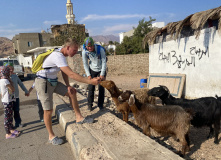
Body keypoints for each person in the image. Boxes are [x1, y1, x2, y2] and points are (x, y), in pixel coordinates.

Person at [34, 38, 101, 145]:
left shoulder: (61, 54)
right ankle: (51, 136)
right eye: (74, 50)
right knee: (48, 110)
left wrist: (68, 85)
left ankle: (79, 118)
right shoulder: (58, 56)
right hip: (43, 82)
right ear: (68, 47)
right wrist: (90, 82)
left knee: (72, 92)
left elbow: (64, 71)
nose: (75, 53)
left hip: (53, 81)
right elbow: (72, 74)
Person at [82, 37, 107, 111]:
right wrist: (88, 75)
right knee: (91, 88)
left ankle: (100, 105)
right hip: (92, 69)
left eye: (91, 46)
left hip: (101, 69)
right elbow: (85, 64)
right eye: (88, 47)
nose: (90, 48)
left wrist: (102, 74)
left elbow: (104, 62)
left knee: (101, 88)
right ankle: (90, 105)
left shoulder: (100, 50)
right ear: (86, 46)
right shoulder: (84, 52)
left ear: (93, 45)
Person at [4, 62, 29, 128]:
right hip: (8, 98)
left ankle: (18, 123)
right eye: (9, 69)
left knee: (16, 110)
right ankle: (10, 125)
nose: (11, 70)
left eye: (12, 69)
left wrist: (26, 91)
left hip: (16, 97)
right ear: (6, 70)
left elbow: (21, 84)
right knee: (9, 113)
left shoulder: (15, 76)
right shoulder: (4, 78)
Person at [0, 66, 20, 139]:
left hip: (8, 100)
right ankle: (7, 133)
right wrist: (11, 82)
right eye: (8, 71)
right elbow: (12, 89)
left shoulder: (3, 79)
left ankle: (11, 129)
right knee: (7, 117)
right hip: (7, 101)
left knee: (10, 115)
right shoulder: (5, 80)